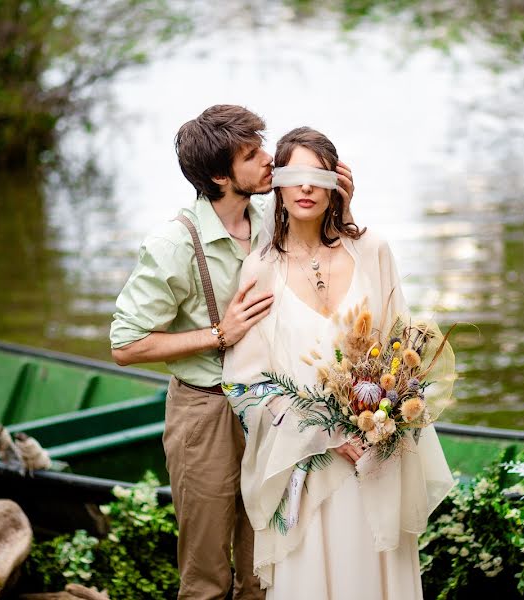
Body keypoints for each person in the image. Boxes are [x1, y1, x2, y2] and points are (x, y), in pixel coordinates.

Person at [109, 106, 355, 600]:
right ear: (221, 176)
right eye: (253, 154)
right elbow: (126, 344)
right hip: (204, 413)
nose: (270, 160)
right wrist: (218, 334)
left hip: (273, 407)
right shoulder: (174, 244)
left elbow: (330, 258)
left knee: (265, 563)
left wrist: (341, 200)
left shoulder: (271, 216)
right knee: (206, 578)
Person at [222, 127, 456, 599]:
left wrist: (379, 424)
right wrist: (327, 434)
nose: (306, 187)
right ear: (278, 186)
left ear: (336, 183)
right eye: (295, 175)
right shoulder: (260, 269)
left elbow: (402, 348)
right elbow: (246, 383)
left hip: (378, 455)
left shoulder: (372, 251)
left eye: (318, 175)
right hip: (308, 464)